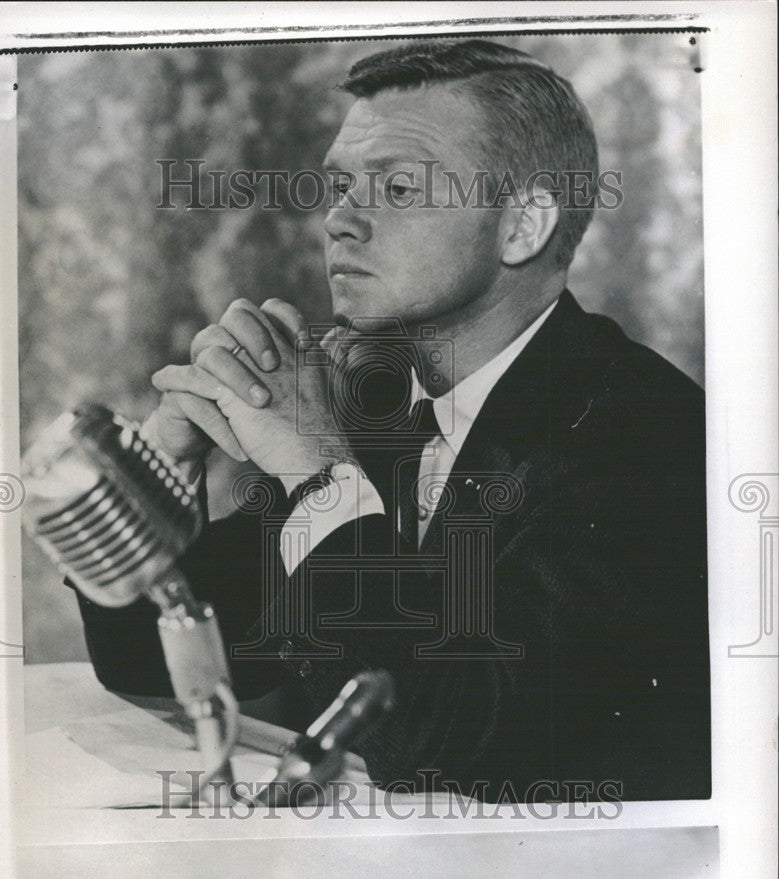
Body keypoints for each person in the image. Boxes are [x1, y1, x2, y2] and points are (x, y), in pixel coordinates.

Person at [71, 40, 710, 802]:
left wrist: (317, 471)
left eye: (398, 188)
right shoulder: (385, 414)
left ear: (522, 226)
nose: (339, 220)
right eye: (340, 188)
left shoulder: (649, 438)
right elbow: (148, 664)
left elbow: (435, 742)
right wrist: (156, 484)